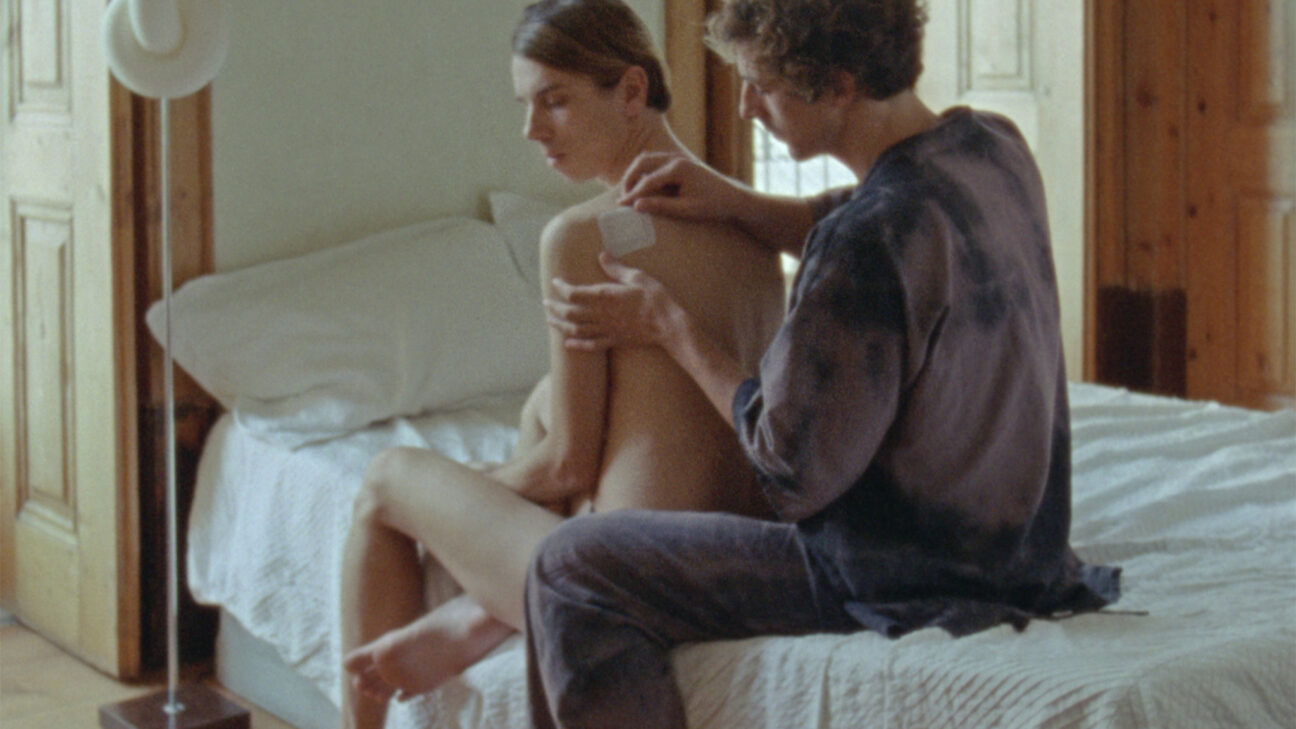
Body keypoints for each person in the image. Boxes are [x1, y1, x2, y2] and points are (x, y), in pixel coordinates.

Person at [533, 0, 1123, 726]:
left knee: (571, 565)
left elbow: (787, 469)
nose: (745, 108)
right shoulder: (991, 146)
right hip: (1025, 553)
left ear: (839, 86)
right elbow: (880, 211)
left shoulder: (862, 244)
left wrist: (671, 327)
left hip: (899, 572)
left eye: (762, 85)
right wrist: (737, 203)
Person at [337, 2, 786, 728]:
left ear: (632, 91)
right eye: (526, 104)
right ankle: (478, 619)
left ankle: (425, 662)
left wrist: (470, 488)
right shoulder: (754, 230)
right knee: (544, 401)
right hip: (727, 569)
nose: (532, 129)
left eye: (554, 101)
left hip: (629, 578)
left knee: (386, 480)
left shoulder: (579, 237)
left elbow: (570, 465)